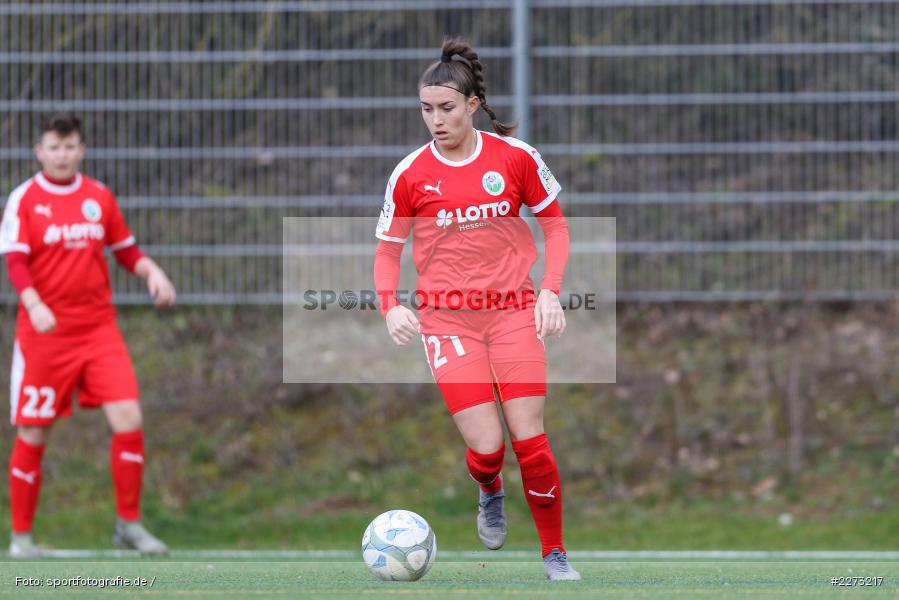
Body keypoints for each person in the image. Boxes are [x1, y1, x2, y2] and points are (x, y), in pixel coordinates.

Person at [373, 39, 580, 581]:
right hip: (446, 320)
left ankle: (554, 555)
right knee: (487, 447)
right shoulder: (411, 174)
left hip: (513, 311)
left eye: (445, 108)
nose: (435, 120)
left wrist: (551, 291)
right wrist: (390, 307)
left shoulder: (515, 158)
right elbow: (388, 250)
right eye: (426, 109)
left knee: (529, 437)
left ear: (471, 104)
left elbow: (555, 225)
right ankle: (489, 488)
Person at [0, 113, 176, 558]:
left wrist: (150, 270)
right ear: (39, 151)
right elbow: (16, 260)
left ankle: (129, 526)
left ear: (82, 149)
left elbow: (125, 249)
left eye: (70, 146)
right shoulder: (24, 199)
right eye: (53, 147)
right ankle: (21, 538)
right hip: (45, 335)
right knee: (33, 433)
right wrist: (35, 302)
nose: (62, 154)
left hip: (98, 331)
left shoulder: (98, 196)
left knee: (129, 421)